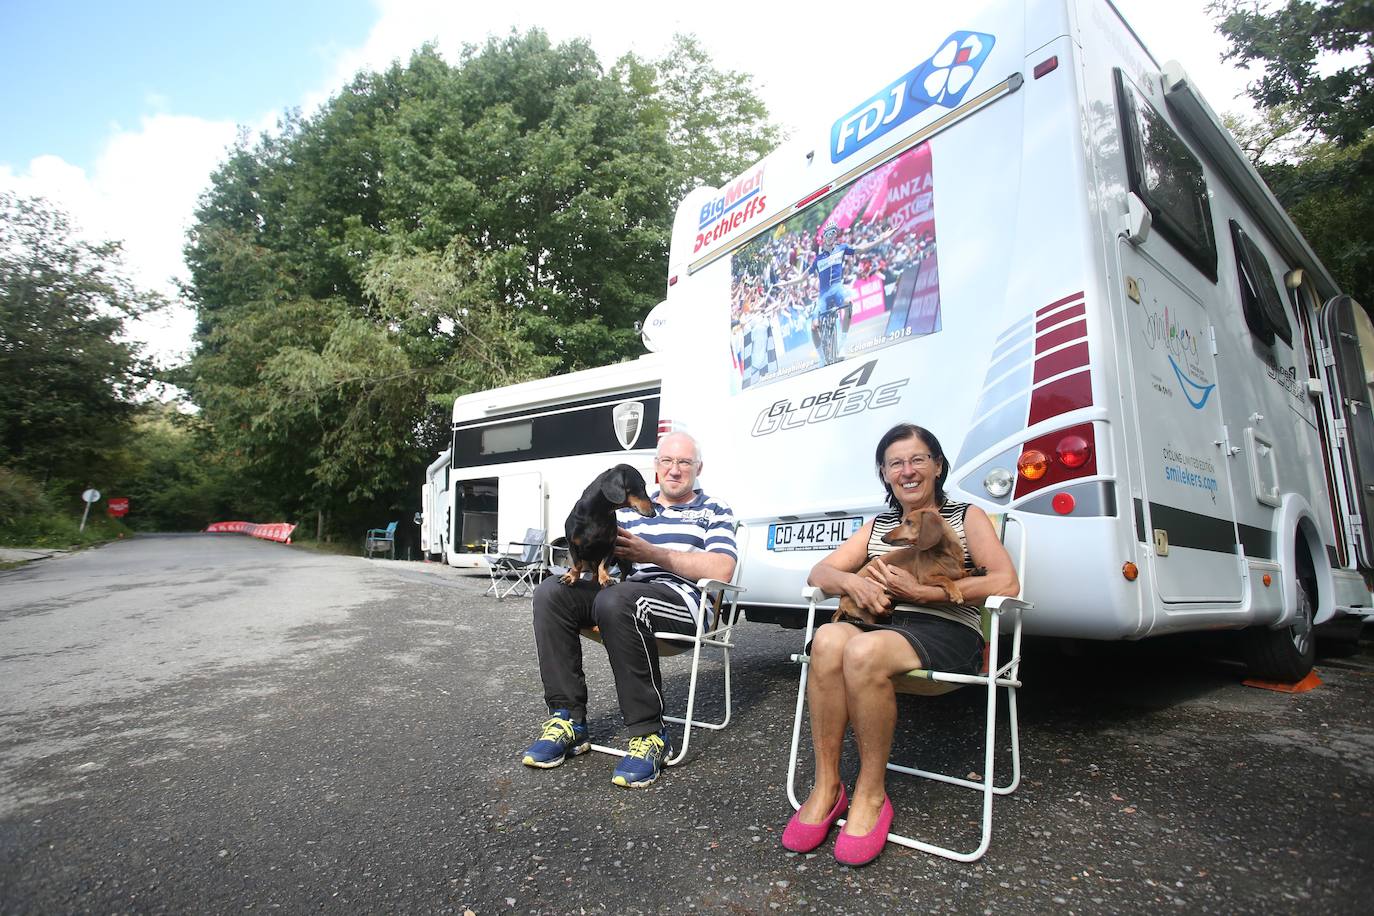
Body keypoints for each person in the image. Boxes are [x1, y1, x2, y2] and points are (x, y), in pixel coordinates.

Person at [782, 422, 1018, 865]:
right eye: (896, 463)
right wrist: (854, 580)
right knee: (830, 638)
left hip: (946, 630)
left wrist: (927, 593)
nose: (907, 470)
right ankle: (827, 786)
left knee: (862, 649)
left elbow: (1007, 580)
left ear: (938, 466)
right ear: (886, 474)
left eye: (917, 459)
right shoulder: (878, 526)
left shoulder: (966, 517)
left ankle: (871, 793)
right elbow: (819, 574)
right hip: (883, 628)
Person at [522, 432, 737, 788]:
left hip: (682, 601)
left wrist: (654, 554)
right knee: (550, 593)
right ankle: (568, 719)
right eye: (667, 461)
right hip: (623, 596)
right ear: (655, 467)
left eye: (684, 462)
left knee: (618, 598)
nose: (675, 470)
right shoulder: (631, 505)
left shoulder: (714, 509)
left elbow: (722, 570)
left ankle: (651, 734)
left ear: (698, 468)